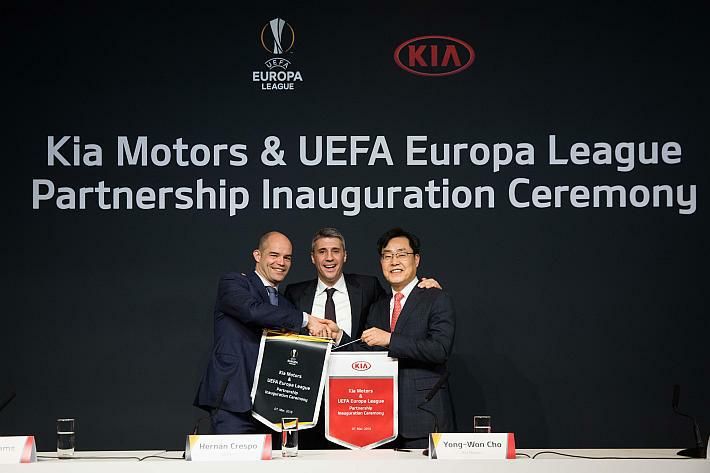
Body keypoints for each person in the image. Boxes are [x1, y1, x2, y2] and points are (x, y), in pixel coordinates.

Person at [284, 227, 441, 448]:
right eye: (322, 251)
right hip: (311, 402)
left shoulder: (368, 288)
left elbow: (401, 305)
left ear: (345, 255)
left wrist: (424, 288)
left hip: (360, 402)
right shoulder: (294, 293)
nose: (329, 258)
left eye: (336, 251)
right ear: (313, 257)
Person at [193, 231, 338, 434]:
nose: (281, 262)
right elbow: (253, 311)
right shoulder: (234, 283)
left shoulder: (287, 305)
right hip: (233, 401)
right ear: (257, 255)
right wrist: (307, 320)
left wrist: (326, 334)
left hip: (273, 407)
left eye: (287, 257)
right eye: (274, 255)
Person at [361, 228, 456, 449]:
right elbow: (367, 354)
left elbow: (439, 350)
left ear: (417, 259)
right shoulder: (377, 307)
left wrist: (390, 340)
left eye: (401, 254)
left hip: (426, 416)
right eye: (387, 256)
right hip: (380, 422)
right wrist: (338, 335)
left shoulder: (437, 298)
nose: (394, 261)